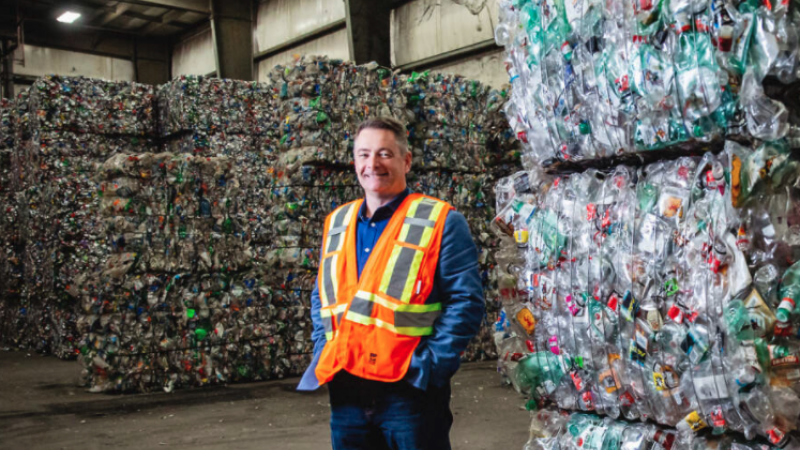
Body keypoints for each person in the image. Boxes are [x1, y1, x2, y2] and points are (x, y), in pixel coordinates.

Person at [297, 117, 485, 450]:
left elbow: (465, 303)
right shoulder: (337, 222)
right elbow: (321, 298)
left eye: (384, 154)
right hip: (346, 393)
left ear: (406, 160)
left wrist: (427, 367)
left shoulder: (440, 220)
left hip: (408, 394)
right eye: (364, 155)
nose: (372, 164)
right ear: (354, 161)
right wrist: (322, 350)